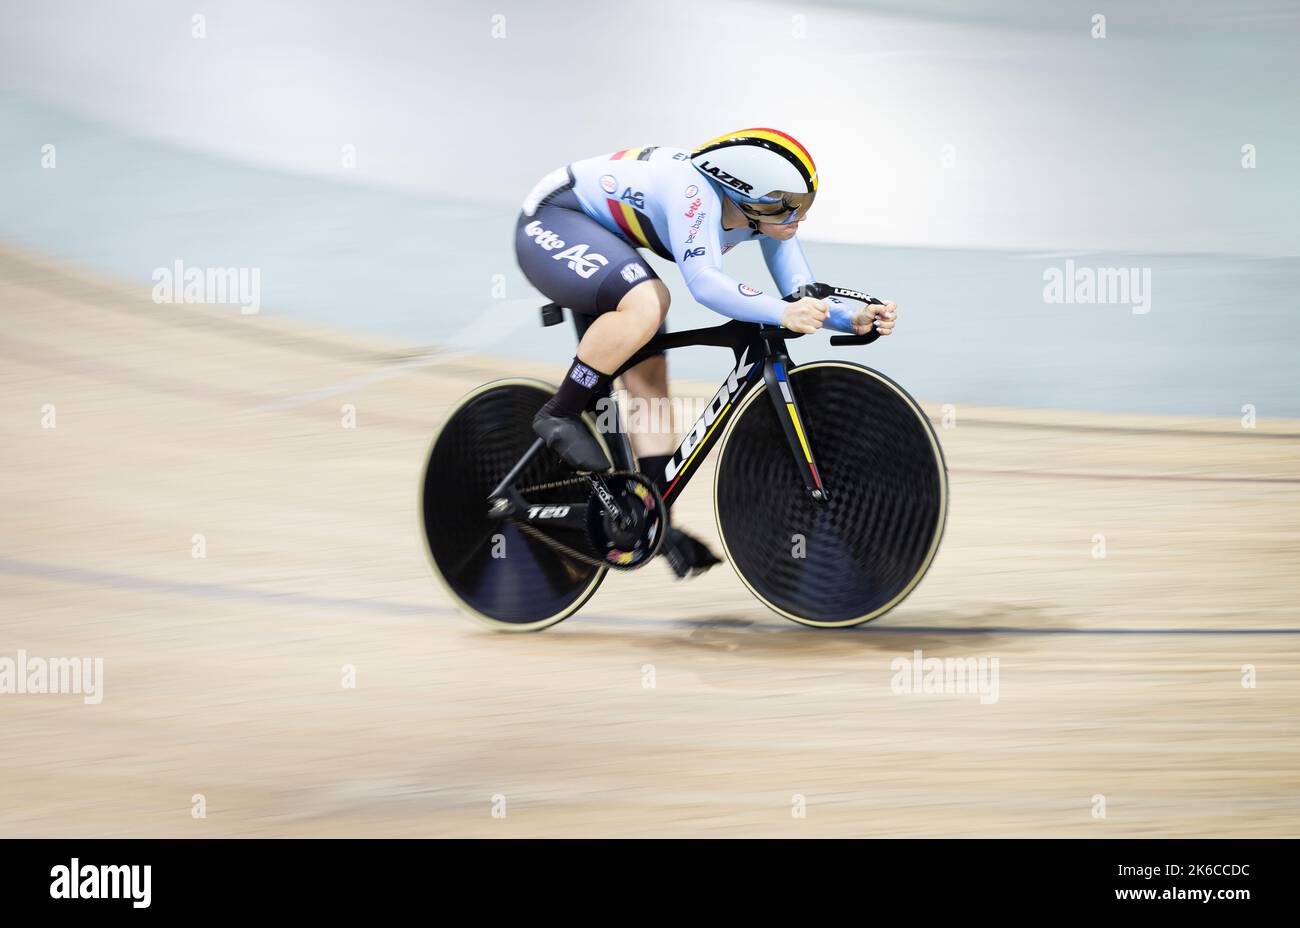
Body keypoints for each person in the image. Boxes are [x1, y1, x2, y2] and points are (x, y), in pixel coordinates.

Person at [514, 128, 898, 577]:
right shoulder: (692, 193)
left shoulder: (769, 215)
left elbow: (798, 294)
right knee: (649, 300)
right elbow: (706, 283)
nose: (800, 217)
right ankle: (559, 412)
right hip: (552, 218)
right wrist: (781, 311)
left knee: (650, 386)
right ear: (745, 196)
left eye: (806, 203)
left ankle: (650, 521)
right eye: (789, 205)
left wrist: (849, 318)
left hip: (605, 237)